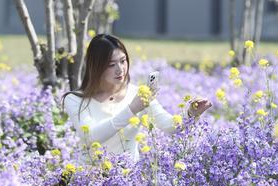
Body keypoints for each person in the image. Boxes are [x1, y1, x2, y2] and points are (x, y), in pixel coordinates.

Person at [62, 34, 212, 162]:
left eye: (123, 61)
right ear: (96, 67)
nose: (120, 69)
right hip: (90, 180)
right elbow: (91, 137)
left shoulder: (138, 94)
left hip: (128, 180)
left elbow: (169, 126)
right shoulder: (75, 100)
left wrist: (190, 114)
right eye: (111, 65)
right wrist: (132, 109)